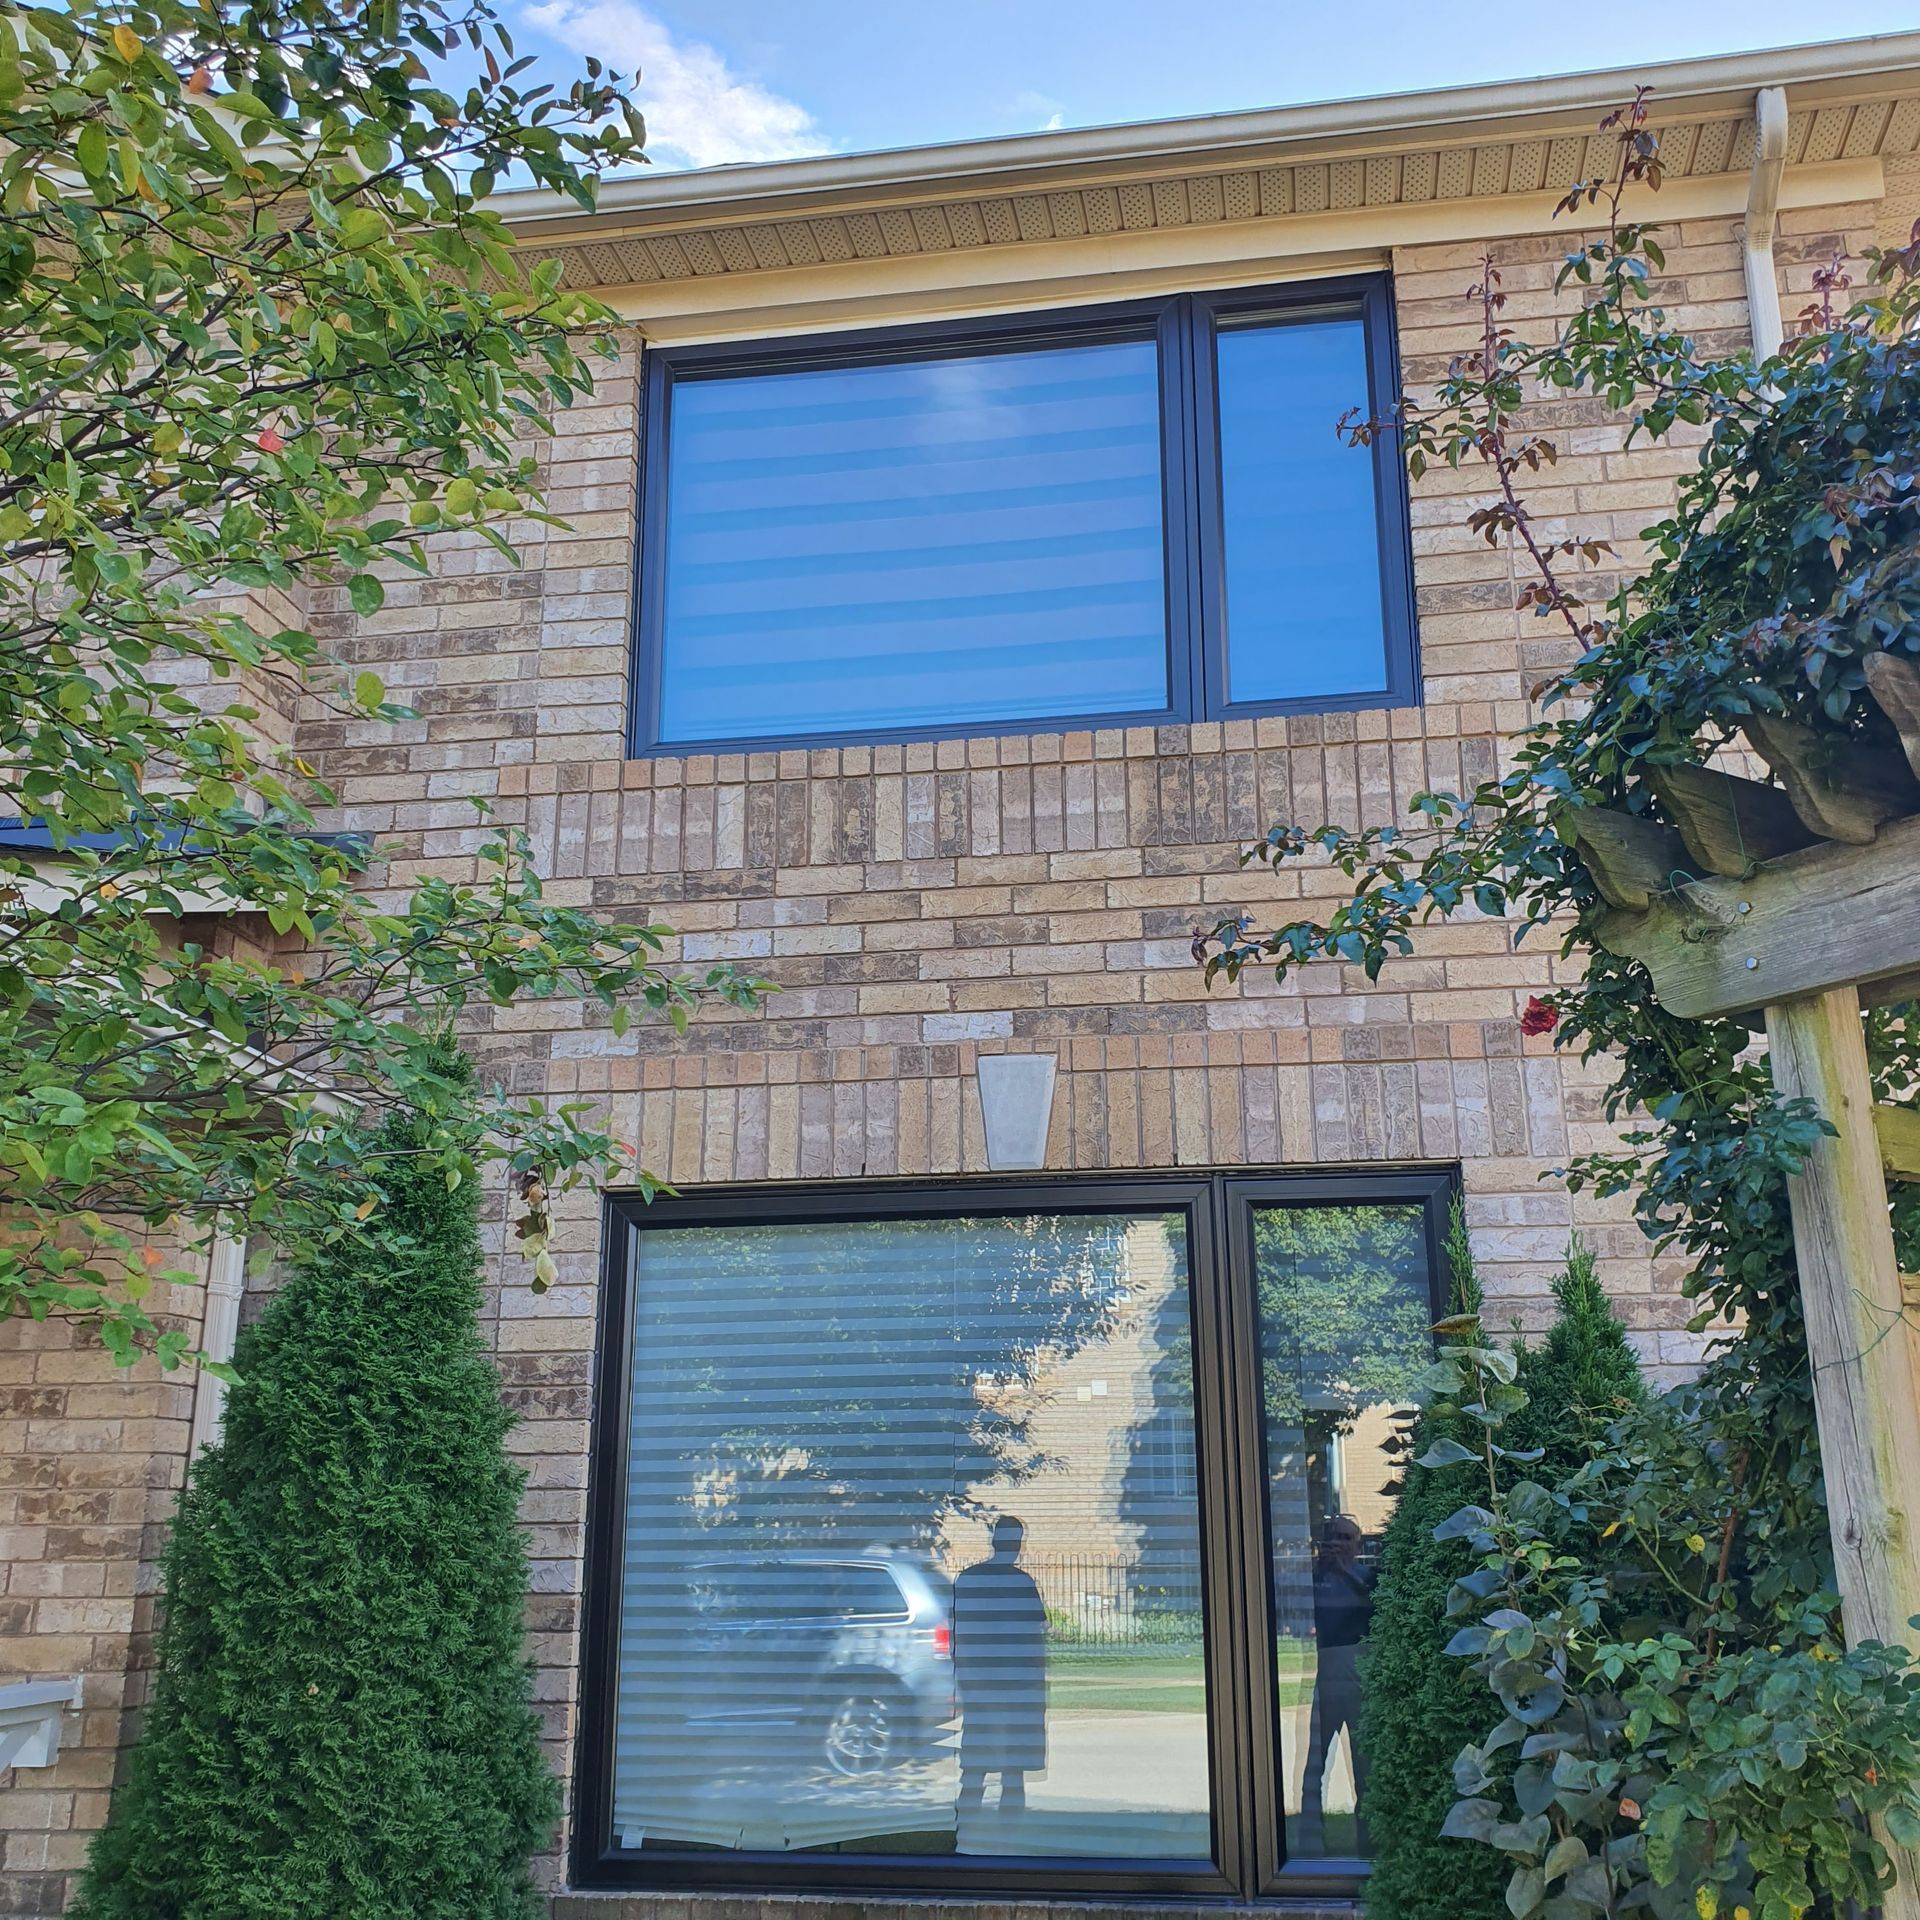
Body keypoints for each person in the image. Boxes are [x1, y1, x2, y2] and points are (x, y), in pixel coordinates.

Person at [951, 1515, 1047, 1820]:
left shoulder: (967, 1579)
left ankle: (970, 1805)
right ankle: (1009, 1809)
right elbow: (1036, 1632)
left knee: (979, 1738)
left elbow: (957, 1631)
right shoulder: (1021, 1583)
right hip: (1015, 1680)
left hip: (980, 1678)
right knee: (1013, 1745)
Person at [1298, 1513, 1375, 1853]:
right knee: (1315, 1764)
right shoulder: (1312, 1579)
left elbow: (1374, 1608)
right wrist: (1323, 1569)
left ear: (1357, 1545)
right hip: (1325, 1673)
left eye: (1346, 1538)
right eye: (1334, 1538)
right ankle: (1309, 1843)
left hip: (1358, 1673)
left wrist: (1343, 1570)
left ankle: (1369, 1844)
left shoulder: (1367, 1576)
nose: (1339, 1545)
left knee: (1364, 1765)